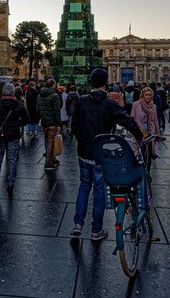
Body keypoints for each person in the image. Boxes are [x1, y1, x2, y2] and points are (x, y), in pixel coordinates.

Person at [71, 68, 143, 240]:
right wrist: (139, 136)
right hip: (101, 154)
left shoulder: (81, 101)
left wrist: (82, 140)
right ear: (106, 83)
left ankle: (78, 224)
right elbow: (127, 121)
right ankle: (96, 230)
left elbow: (74, 126)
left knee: (83, 186)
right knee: (99, 190)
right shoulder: (110, 104)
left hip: (84, 151)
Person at [0, 84, 29, 198]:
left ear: (3, 92)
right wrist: (17, 125)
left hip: (0, 135)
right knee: (12, 159)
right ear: (13, 93)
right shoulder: (19, 105)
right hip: (13, 135)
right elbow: (27, 119)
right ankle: (11, 183)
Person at [131, 87, 160, 171]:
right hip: (139, 133)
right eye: (146, 95)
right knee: (140, 154)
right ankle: (140, 172)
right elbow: (132, 119)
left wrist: (157, 134)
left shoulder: (153, 106)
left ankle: (148, 172)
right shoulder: (136, 104)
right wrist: (132, 133)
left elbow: (155, 120)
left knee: (149, 154)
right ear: (142, 95)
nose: (148, 97)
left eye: (150, 95)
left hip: (150, 133)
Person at [36, 78, 61, 170]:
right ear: (53, 85)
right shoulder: (55, 96)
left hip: (44, 122)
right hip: (53, 122)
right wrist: (59, 124)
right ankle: (48, 162)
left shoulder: (39, 95)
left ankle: (52, 159)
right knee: (51, 142)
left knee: (48, 141)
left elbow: (37, 109)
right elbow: (56, 111)